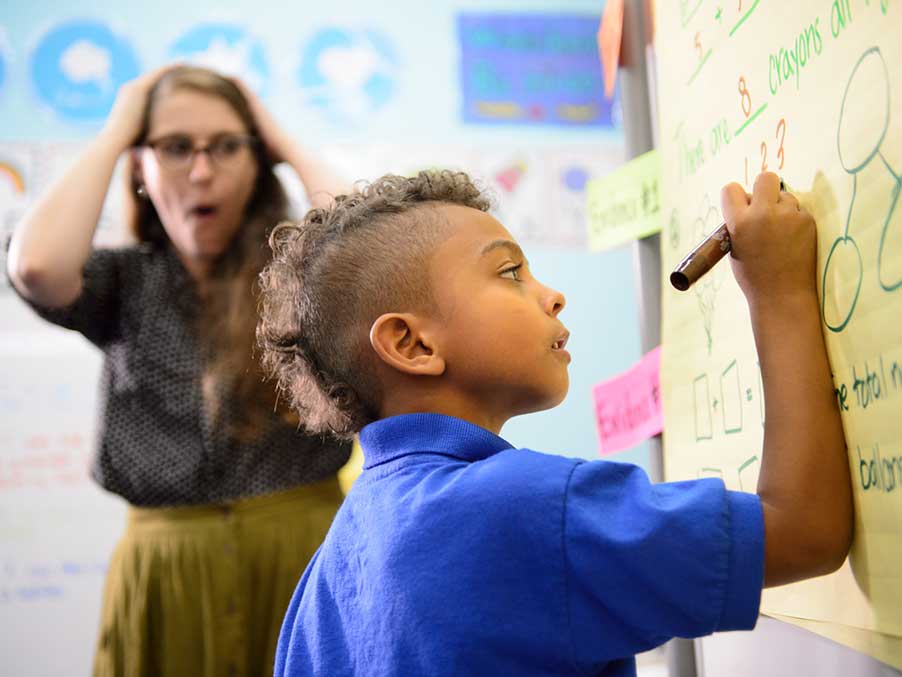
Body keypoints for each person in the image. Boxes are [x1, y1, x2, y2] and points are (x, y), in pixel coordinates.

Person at [256, 169, 854, 676]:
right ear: (411, 344)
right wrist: (779, 292)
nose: (553, 295)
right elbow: (806, 534)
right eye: (511, 273)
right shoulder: (522, 508)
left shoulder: (329, 569)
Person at [6, 65, 353, 677]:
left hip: (306, 559)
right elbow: (35, 266)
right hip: (166, 576)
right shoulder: (121, 282)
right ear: (140, 167)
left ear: (258, 160)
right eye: (173, 148)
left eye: (227, 146)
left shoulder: (298, 278)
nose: (200, 170)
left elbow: (366, 249)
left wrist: (281, 139)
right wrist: (120, 127)